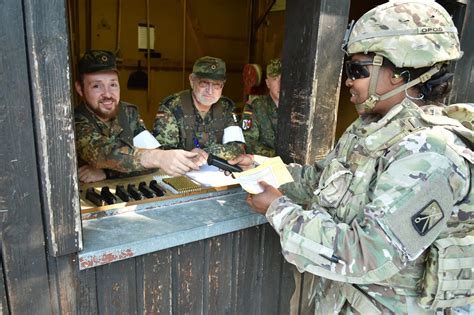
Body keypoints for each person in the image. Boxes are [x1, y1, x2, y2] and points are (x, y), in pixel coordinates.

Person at [230, 1, 473, 313]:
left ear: (399, 72)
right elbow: (318, 179)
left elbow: (369, 254)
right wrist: (262, 169)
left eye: (357, 70)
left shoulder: (431, 153)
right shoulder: (372, 129)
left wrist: (277, 209)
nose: (347, 80)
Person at [74, 50, 202, 183]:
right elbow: (101, 153)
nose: (107, 94)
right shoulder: (73, 122)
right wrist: (158, 158)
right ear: (79, 88)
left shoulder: (129, 113)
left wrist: (108, 172)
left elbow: (153, 163)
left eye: (113, 84)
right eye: (96, 86)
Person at [152, 56, 245, 161]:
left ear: (222, 85)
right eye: (204, 83)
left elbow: (238, 148)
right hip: (180, 173)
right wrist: (190, 157)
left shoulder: (226, 107)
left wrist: (205, 153)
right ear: (192, 80)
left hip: (217, 173)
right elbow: (163, 153)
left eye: (216, 85)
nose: (210, 91)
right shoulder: (172, 106)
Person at [241, 59, 281, 156]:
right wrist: (277, 157)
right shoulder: (255, 106)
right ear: (267, 83)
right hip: (266, 165)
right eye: (275, 79)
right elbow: (248, 141)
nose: (281, 84)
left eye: (285, 78)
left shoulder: (300, 109)